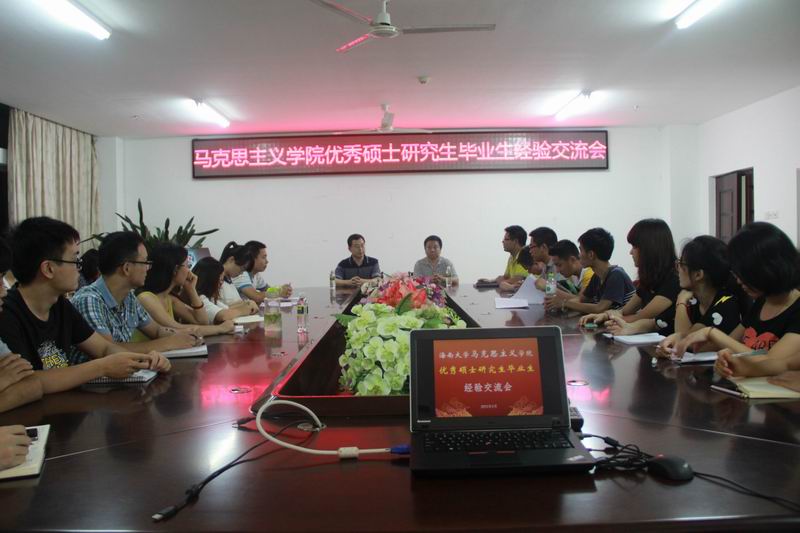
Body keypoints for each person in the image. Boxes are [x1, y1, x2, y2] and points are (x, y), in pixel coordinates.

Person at [0, 217, 170, 394]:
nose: (79, 268)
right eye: (75, 260)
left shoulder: (60, 305)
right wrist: (102, 367)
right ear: (48, 269)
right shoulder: (7, 313)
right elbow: (29, 381)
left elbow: (104, 348)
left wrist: (144, 360)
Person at [668, 222, 800, 370]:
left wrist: (711, 333)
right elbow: (729, 344)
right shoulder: (762, 302)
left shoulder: (795, 309)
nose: (738, 281)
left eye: (744, 274)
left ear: (767, 270)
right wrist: (682, 339)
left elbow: (771, 362)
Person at [71, 232, 199, 360]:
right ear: (127, 268)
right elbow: (109, 351)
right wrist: (168, 343)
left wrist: (184, 337)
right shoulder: (89, 300)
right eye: (145, 262)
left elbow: (156, 330)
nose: (148, 268)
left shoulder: (129, 298)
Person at [584, 219, 680, 335]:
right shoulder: (649, 279)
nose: (630, 252)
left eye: (634, 246)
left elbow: (641, 317)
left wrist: (608, 319)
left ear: (650, 248)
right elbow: (624, 311)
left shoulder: (674, 280)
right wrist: (604, 315)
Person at [655, 236, 744, 358]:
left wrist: (681, 303)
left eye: (681, 264)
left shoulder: (726, 303)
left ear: (698, 274)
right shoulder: (693, 299)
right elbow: (658, 322)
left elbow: (687, 340)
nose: (678, 270)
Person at [134, 242, 234, 340]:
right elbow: (177, 329)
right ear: (175, 269)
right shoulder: (146, 298)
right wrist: (220, 328)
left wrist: (191, 289)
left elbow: (202, 321)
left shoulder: (169, 298)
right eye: (187, 266)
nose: (189, 271)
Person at [560, 227, 635, 316]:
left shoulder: (616, 275)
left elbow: (599, 308)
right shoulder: (596, 276)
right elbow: (581, 299)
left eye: (581, 250)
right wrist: (560, 303)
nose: (579, 256)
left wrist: (565, 303)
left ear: (591, 255)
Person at [193, 257, 259, 324]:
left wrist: (246, 304)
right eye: (220, 280)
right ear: (209, 280)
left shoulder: (210, 297)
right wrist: (243, 310)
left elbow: (226, 309)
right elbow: (223, 316)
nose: (221, 284)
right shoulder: (199, 298)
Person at [543, 239, 595, 312]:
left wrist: (546, 286)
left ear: (572, 260)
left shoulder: (589, 274)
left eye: (559, 265)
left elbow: (581, 301)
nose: (557, 270)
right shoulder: (572, 276)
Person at [217, 242, 254, 306]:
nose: (241, 273)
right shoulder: (217, 280)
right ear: (231, 260)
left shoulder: (229, 279)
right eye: (242, 268)